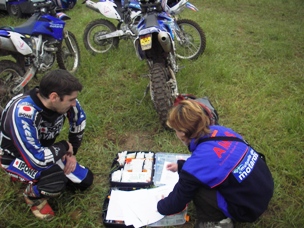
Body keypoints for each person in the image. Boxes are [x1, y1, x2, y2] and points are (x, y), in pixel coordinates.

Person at [157, 100, 274, 228]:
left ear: (183, 133)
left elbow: (177, 202)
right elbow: (216, 162)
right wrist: (181, 167)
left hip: (247, 209)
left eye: (176, 130)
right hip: (264, 186)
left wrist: (160, 205)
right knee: (199, 178)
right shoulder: (220, 131)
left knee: (198, 188)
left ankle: (217, 222)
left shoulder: (197, 166)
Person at [0, 69, 94, 220]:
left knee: (85, 180)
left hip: (41, 150)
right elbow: (37, 160)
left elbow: (79, 121)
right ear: (54, 97)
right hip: (14, 158)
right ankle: (31, 194)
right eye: (71, 99)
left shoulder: (65, 101)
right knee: (55, 181)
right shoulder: (23, 113)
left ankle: (40, 177)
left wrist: (71, 154)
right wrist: (64, 146)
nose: (74, 103)